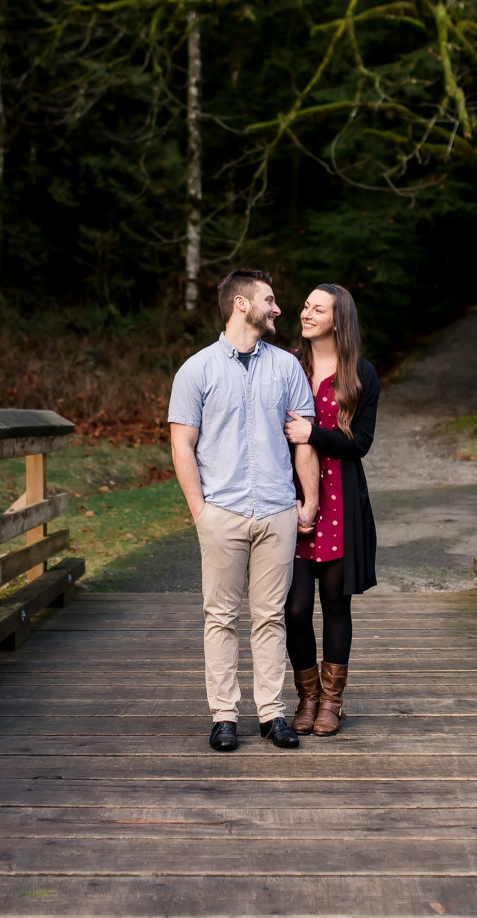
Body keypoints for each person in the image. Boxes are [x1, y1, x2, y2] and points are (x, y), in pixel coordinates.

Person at [168, 269, 321, 753]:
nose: (278, 309)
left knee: (270, 616)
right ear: (241, 303)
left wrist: (307, 499)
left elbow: (303, 442)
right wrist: (200, 510)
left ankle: (273, 714)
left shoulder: (287, 368)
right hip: (222, 511)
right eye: (270, 300)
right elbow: (181, 444)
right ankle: (224, 716)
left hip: (277, 509)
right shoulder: (197, 370)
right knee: (220, 616)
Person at [282, 284, 380, 737]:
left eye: (317, 309)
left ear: (338, 321)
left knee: (336, 606)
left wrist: (313, 433)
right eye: (305, 306)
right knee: (296, 609)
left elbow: (360, 444)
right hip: (293, 500)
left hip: (342, 502)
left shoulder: (361, 374)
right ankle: (307, 696)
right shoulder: (287, 365)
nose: (306, 313)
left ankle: (331, 703)